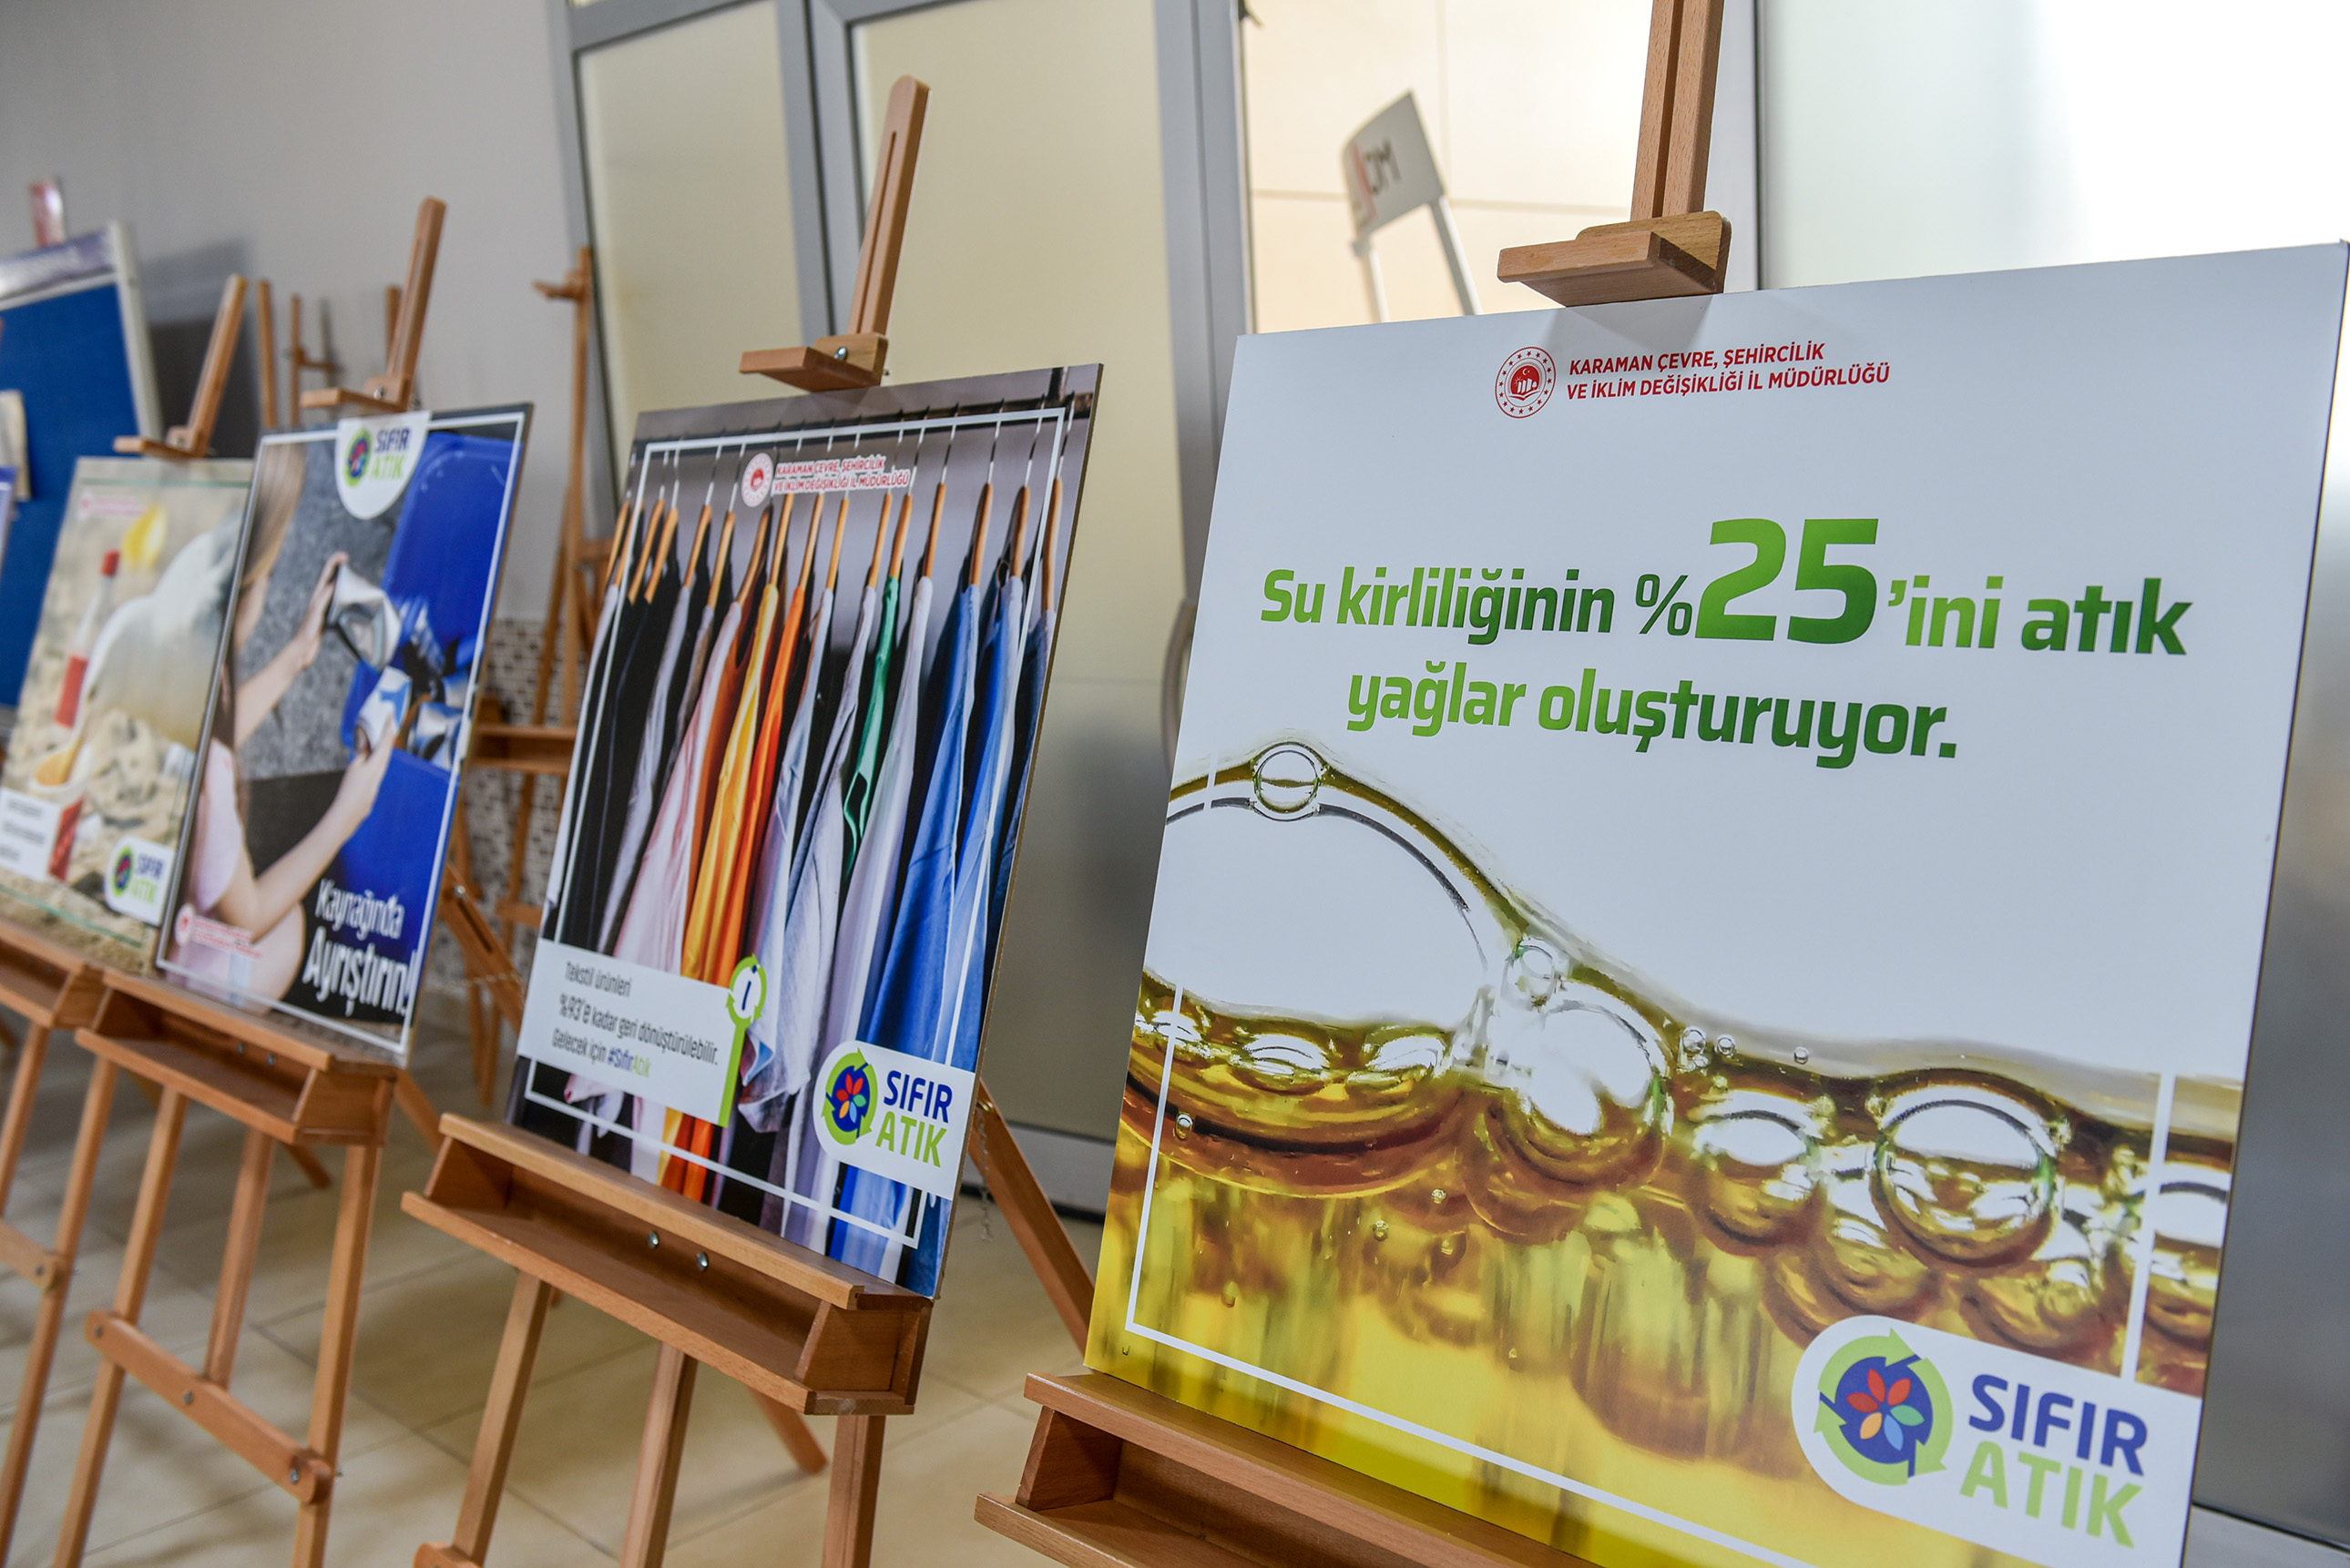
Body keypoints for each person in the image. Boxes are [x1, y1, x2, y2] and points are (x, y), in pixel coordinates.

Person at [173, 449, 393, 999]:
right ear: (245, 591)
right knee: (291, 920)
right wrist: (349, 812)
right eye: (268, 575)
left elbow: (215, 740)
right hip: (179, 976)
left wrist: (296, 655)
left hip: (156, 926)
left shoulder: (188, 670)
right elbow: (247, 919)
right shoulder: (212, 780)